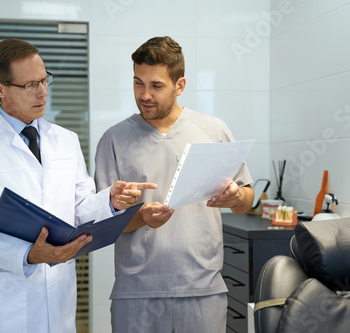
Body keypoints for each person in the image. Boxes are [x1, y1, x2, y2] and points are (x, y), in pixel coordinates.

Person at [0, 38, 155, 333]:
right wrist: (28, 253)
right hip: (3, 307)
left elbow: (79, 209)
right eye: (29, 85)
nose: (42, 92)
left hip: (59, 300)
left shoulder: (66, 140)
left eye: (44, 80)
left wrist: (111, 201)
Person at [94, 36, 255, 333]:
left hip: (202, 290)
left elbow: (247, 199)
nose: (144, 94)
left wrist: (236, 197)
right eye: (138, 83)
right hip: (136, 294)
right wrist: (138, 218)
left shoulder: (213, 130)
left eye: (156, 86)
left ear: (180, 85)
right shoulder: (113, 140)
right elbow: (102, 224)